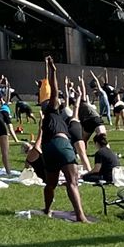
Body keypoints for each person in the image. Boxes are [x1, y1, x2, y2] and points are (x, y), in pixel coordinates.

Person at [37, 59, 91, 222]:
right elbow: (55, 90)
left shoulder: (47, 119)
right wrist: (53, 71)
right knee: (72, 182)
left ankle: (47, 209)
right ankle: (80, 216)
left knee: (50, 184)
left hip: (48, 149)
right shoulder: (53, 111)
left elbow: (61, 98)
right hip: (61, 145)